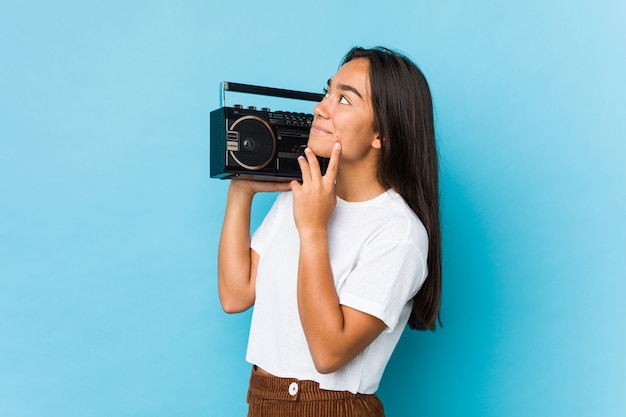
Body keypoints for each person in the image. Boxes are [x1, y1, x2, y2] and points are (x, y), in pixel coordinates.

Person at [217, 46, 442, 417]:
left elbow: (328, 352)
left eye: (343, 99)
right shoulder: (305, 194)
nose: (321, 107)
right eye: (326, 91)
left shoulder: (400, 234)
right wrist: (240, 191)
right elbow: (235, 294)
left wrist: (314, 230)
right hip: (261, 401)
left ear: (381, 135)